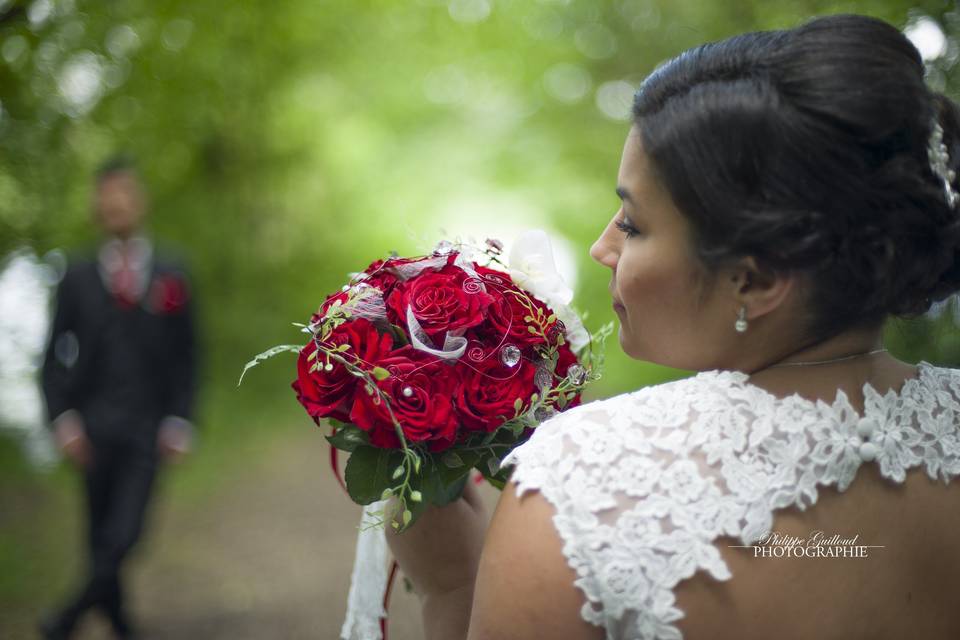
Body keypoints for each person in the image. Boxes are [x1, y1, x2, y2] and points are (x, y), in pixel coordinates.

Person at [385, 14, 960, 640]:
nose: (603, 248)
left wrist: (454, 588)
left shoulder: (585, 481)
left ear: (756, 279)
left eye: (632, 224)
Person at [39, 157, 198, 639]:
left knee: (126, 533)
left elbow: (188, 355)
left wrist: (180, 419)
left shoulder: (173, 271)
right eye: (105, 198)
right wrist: (63, 419)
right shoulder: (78, 275)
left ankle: (65, 619)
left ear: (139, 201)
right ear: (97, 207)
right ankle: (121, 624)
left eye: (123, 195)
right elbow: (52, 355)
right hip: (91, 426)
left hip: (148, 426)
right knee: (99, 538)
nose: (115, 206)